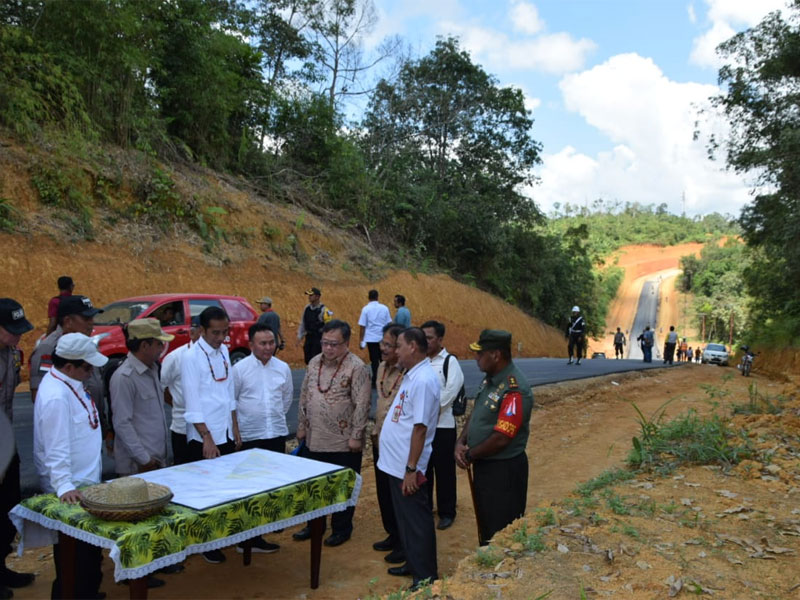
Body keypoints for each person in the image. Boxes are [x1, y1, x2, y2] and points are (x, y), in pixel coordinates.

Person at [33, 333, 108, 599]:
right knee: (73, 557)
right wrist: (64, 485)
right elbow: (55, 447)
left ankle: (87, 592)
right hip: (71, 490)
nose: (91, 372)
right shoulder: (56, 396)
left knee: (88, 555)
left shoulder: (69, 383)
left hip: (85, 482)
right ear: (68, 366)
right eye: (87, 367)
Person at [294, 320, 370, 547]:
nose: (328, 348)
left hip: (343, 442)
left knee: (342, 486)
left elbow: (363, 403)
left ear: (346, 343)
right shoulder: (314, 363)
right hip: (314, 438)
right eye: (325, 343)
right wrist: (301, 425)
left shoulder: (356, 367)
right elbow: (305, 395)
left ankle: (342, 528)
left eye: (334, 344)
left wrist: (356, 435)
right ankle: (313, 524)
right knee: (314, 486)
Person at [456, 330, 534, 546]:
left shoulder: (513, 388)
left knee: (502, 533)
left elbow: (502, 437)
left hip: (503, 472)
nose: (476, 358)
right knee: (487, 524)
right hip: (485, 465)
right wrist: (461, 441)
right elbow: (478, 412)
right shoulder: (490, 380)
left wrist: (470, 454)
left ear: (496, 355)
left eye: (480, 354)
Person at [377, 327, 440, 591]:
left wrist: (411, 469)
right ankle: (412, 563)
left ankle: (425, 577)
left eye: (399, 346)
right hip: (394, 464)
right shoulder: (413, 375)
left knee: (416, 521)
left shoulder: (424, 379)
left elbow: (420, 428)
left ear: (413, 346)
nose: (395, 351)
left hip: (407, 467)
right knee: (404, 520)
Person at [182, 306, 242, 564]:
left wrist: (235, 429)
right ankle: (205, 542)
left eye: (224, 332)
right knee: (205, 493)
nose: (220, 337)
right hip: (203, 437)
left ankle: (222, 535)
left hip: (225, 432)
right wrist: (207, 437)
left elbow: (228, 394)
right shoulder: (191, 357)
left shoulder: (225, 351)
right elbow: (192, 403)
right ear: (202, 330)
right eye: (215, 333)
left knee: (224, 489)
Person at [232, 322, 293, 555]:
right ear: (251, 345)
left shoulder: (283, 368)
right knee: (250, 488)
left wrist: (271, 417)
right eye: (263, 343)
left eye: (271, 343)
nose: (268, 348)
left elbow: (286, 400)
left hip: (275, 434)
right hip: (250, 437)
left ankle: (262, 531)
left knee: (272, 485)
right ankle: (248, 538)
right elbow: (233, 402)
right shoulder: (240, 370)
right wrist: (239, 430)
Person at [29, 296, 111, 449]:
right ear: (68, 321)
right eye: (86, 318)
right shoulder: (49, 348)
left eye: (92, 317)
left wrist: (102, 423)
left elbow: (96, 386)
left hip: (90, 428)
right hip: (69, 438)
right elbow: (41, 397)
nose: (91, 322)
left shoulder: (87, 343)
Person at [0, 299, 35, 598]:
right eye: (12, 330)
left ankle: (1, 567)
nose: (18, 335)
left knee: (8, 507)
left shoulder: (11, 352)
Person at [110, 319, 173, 477]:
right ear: (145, 346)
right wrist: (144, 460)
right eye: (159, 344)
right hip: (138, 468)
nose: (161, 349)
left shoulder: (152, 369)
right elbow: (122, 423)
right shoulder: (124, 378)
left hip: (155, 463)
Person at [421, 320, 463, 531]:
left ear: (440, 339)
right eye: (423, 337)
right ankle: (425, 508)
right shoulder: (419, 361)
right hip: (421, 429)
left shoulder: (449, 362)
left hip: (442, 427)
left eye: (429, 337)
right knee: (424, 469)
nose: (425, 341)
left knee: (444, 471)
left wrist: (427, 410)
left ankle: (447, 512)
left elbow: (450, 393)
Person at [371, 324, 404, 564]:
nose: (382, 348)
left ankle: (404, 542)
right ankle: (392, 534)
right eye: (382, 343)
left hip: (397, 445)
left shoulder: (408, 373)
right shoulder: (381, 367)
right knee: (384, 491)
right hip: (378, 439)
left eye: (388, 345)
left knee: (399, 495)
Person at [160, 318, 202, 466]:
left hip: (211, 430)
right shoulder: (175, 358)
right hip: (182, 429)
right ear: (192, 333)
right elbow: (162, 387)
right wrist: (181, 405)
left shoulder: (217, 357)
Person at [358, 290, 392, 386]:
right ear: (377, 297)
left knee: (374, 360)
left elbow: (363, 326)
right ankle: (385, 378)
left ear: (369, 297)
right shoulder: (384, 308)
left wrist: (361, 340)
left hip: (371, 338)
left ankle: (375, 379)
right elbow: (389, 323)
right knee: (383, 358)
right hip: (382, 338)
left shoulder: (365, 309)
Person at [297, 287, 333, 365]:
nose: (309, 297)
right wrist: (300, 336)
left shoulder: (324, 310)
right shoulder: (306, 308)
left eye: (311, 295)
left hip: (318, 338)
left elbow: (328, 326)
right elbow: (303, 323)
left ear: (317, 296)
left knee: (317, 359)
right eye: (309, 295)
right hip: (309, 337)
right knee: (308, 358)